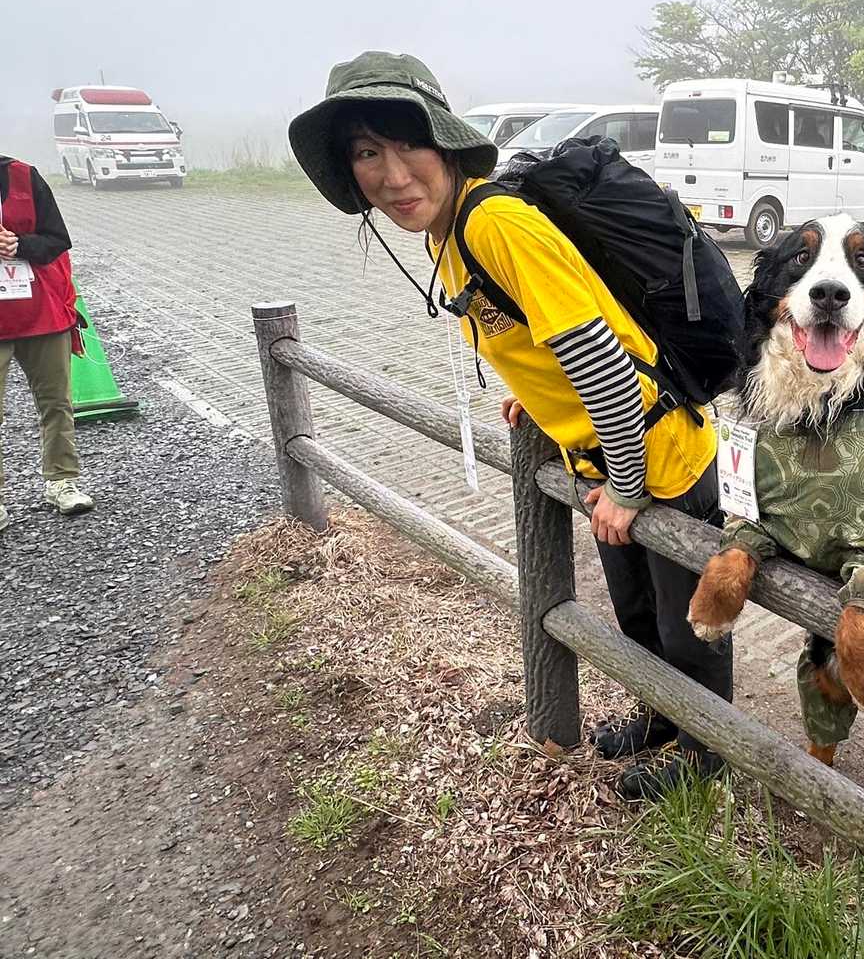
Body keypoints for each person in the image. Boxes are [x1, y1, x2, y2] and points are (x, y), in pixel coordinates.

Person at [288, 52, 729, 799]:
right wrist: (539, 398)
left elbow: (600, 359)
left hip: (655, 453)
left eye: (409, 144)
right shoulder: (445, 233)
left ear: (446, 144)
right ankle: (661, 718)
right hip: (602, 449)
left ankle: (706, 751)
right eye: (366, 153)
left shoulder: (495, 223)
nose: (394, 175)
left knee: (686, 624)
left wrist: (627, 488)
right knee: (635, 614)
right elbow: (531, 335)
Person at [0, 155, 94, 532]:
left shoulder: (23, 176)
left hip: (41, 313)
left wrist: (18, 244)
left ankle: (61, 481)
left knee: (56, 402)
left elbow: (57, 240)